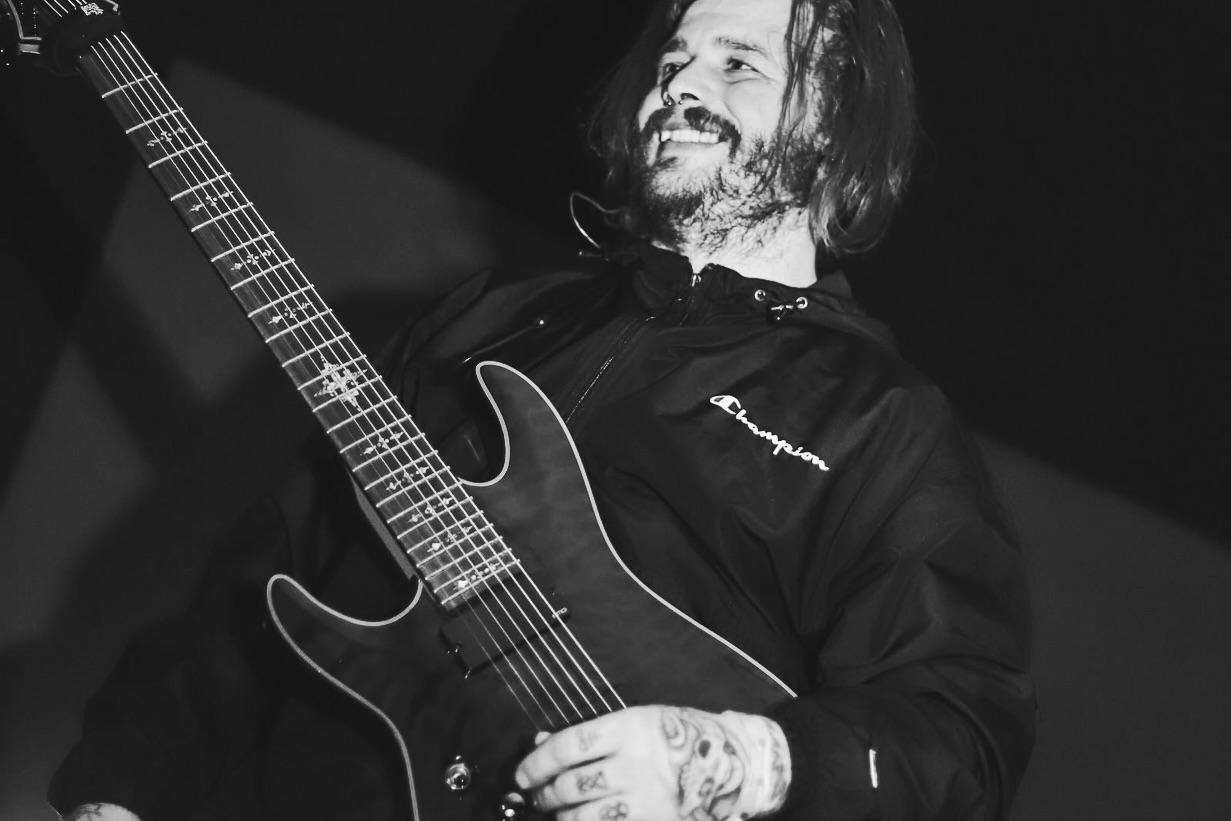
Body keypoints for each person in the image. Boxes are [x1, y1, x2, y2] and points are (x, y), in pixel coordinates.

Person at [50, 0, 1035, 819]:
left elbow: (959, 734)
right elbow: (265, 579)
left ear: (833, 122)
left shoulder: (883, 422)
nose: (678, 88)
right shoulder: (488, 318)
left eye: (739, 63)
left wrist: (720, 757)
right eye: (672, 58)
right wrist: (117, 789)